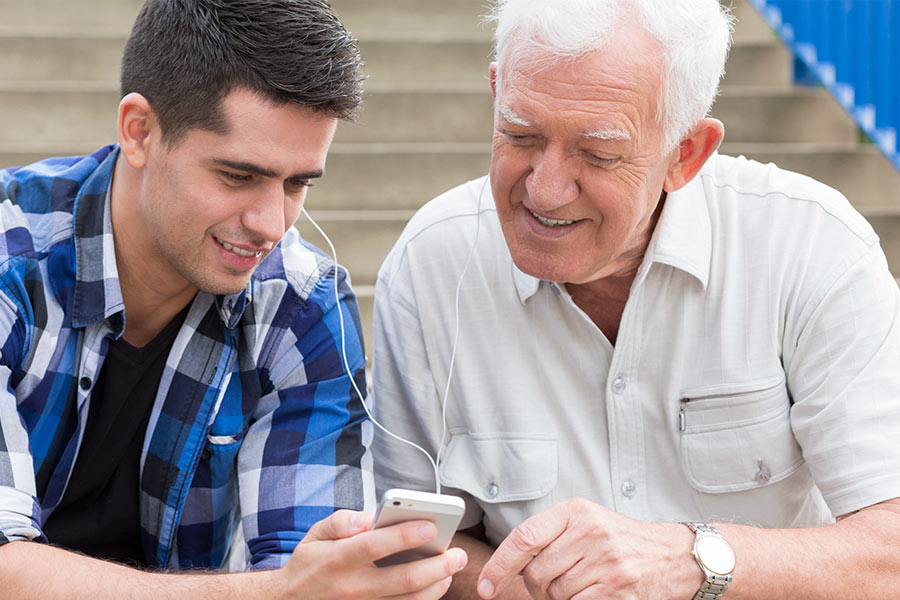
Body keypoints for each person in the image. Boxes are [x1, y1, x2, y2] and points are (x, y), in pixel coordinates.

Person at [371, 0, 900, 598]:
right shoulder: (431, 264)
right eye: (521, 134)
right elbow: (410, 545)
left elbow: (891, 550)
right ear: (497, 93)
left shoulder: (811, 245)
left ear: (687, 154)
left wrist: (693, 559)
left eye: (598, 154)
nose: (544, 190)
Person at [0, 0, 466, 597]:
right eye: (238, 176)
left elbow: (309, 571)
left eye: (297, 182)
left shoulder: (301, 306)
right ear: (139, 131)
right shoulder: (15, 257)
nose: (272, 223)